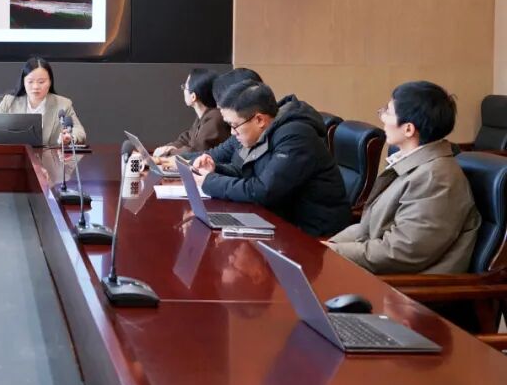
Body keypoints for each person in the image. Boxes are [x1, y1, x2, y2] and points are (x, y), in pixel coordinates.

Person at [327, 82, 480, 274]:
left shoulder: (435, 179)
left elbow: (401, 253)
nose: (382, 116)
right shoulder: (413, 165)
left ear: (408, 129)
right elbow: (367, 228)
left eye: (388, 111)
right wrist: (328, 247)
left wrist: (333, 253)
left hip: (408, 286)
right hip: (379, 270)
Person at [194, 80, 351, 237]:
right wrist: (216, 170)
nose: (232, 133)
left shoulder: (296, 136)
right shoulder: (266, 132)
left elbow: (264, 191)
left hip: (311, 234)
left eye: (234, 126)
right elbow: (250, 174)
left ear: (259, 120)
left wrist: (211, 182)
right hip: (279, 220)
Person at [0, 57, 86, 146]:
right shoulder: (10, 102)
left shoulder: (63, 104)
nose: (36, 87)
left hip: (51, 165)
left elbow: (79, 131)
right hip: (16, 161)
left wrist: (70, 138)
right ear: (23, 82)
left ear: (50, 82)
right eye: (30, 81)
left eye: (41, 82)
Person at [152, 69, 229, 157]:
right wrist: (167, 148)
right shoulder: (204, 116)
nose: (183, 90)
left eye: (185, 87)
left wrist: (169, 152)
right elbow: (187, 138)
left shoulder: (215, 118)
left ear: (193, 96)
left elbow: (195, 152)